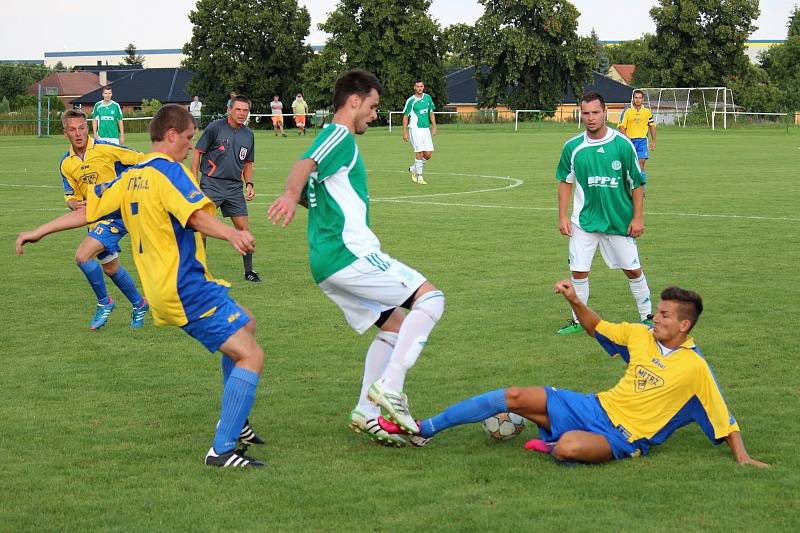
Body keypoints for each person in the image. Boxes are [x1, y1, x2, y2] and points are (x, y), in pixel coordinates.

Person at [16, 104, 267, 468]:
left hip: (182, 285)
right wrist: (232, 232)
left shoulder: (133, 176)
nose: (189, 145)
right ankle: (222, 449)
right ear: (170, 135)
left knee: (246, 323)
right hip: (183, 288)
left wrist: (39, 231)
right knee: (252, 356)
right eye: (187, 138)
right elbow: (195, 215)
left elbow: (88, 210)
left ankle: (236, 420)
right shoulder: (169, 171)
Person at [379, 280, 769, 468]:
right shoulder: (640, 334)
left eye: (664, 315)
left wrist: (744, 458)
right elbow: (596, 326)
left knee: (569, 449)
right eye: (658, 312)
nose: (656, 317)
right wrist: (575, 300)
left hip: (623, 437)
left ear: (684, 326)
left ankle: (550, 442)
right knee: (514, 394)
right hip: (591, 406)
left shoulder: (695, 367)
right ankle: (423, 429)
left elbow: (724, 417)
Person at [268, 69, 446, 446]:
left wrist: (298, 198)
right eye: (373, 106)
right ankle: (390, 389)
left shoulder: (331, 141)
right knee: (431, 299)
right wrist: (287, 193)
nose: (375, 114)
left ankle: (367, 412)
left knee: (395, 326)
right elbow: (302, 167)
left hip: (326, 263)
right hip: (350, 254)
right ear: (354, 101)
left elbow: (313, 193)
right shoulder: (339, 135)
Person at [556, 91, 653, 335]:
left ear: (605, 112)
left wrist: (638, 217)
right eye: (585, 113)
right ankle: (578, 321)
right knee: (578, 271)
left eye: (595, 112)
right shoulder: (573, 147)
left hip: (618, 220)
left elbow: (637, 183)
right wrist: (563, 216)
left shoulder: (622, 144)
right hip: (584, 220)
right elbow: (565, 181)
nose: (590, 118)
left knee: (632, 269)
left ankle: (648, 317)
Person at [59, 109, 150, 330]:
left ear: (88, 128)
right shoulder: (66, 163)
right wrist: (72, 203)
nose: (78, 133)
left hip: (118, 216)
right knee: (110, 268)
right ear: (65, 133)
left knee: (82, 257)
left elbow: (141, 160)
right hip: (95, 221)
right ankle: (140, 304)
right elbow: (71, 195)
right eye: (72, 129)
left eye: (82, 128)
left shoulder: (105, 149)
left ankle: (105, 302)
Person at [191, 95, 260, 283]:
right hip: (211, 184)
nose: (242, 113)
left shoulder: (248, 134)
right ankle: (199, 272)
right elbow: (198, 153)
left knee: (244, 229)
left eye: (245, 110)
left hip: (234, 188)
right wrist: (193, 182)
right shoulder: (215, 127)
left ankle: (249, 271)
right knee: (202, 229)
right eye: (238, 109)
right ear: (230, 110)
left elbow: (247, 163)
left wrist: (249, 184)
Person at [402, 80, 437, 185]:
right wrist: (405, 132)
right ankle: (419, 176)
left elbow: (431, 112)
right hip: (414, 129)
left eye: (421, 86)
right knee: (419, 152)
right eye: (417, 86)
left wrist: (434, 126)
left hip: (426, 129)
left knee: (428, 154)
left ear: (423, 87)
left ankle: (413, 169)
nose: (419, 88)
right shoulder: (411, 101)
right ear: (414, 87)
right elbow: (405, 116)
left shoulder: (428, 98)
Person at [618, 89, 656, 177]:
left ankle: (641, 188)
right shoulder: (627, 111)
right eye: (636, 98)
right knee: (629, 165)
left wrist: (653, 141)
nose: (637, 100)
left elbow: (652, 126)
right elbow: (621, 126)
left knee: (641, 163)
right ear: (632, 99)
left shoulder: (647, 111)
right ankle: (630, 185)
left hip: (642, 141)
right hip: (630, 141)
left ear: (643, 99)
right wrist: (626, 137)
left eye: (639, 98)